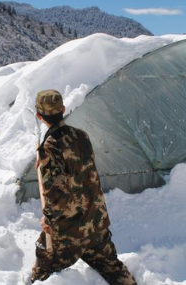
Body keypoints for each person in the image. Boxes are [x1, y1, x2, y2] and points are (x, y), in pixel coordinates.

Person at [30, 90, 137, 285]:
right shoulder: (81, 136)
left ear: (38, 116)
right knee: (113, 268)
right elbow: (81, 172)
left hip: (69, 231)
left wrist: (49, 220)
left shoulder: (50, 146)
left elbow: (56, 194)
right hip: (95, 220)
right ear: (63, 109)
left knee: (43, 270)